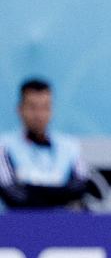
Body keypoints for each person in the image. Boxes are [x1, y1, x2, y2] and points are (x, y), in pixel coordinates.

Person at [0, 79, 89, 209]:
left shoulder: (70, 146)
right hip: (19, 224)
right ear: (20, 109)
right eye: (32, 107)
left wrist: (32, 190)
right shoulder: (4, 146)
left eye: (45, 107)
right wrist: (59, 194)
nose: (39, 115)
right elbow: (12, 194)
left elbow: (80, 186)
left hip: (63, 224)